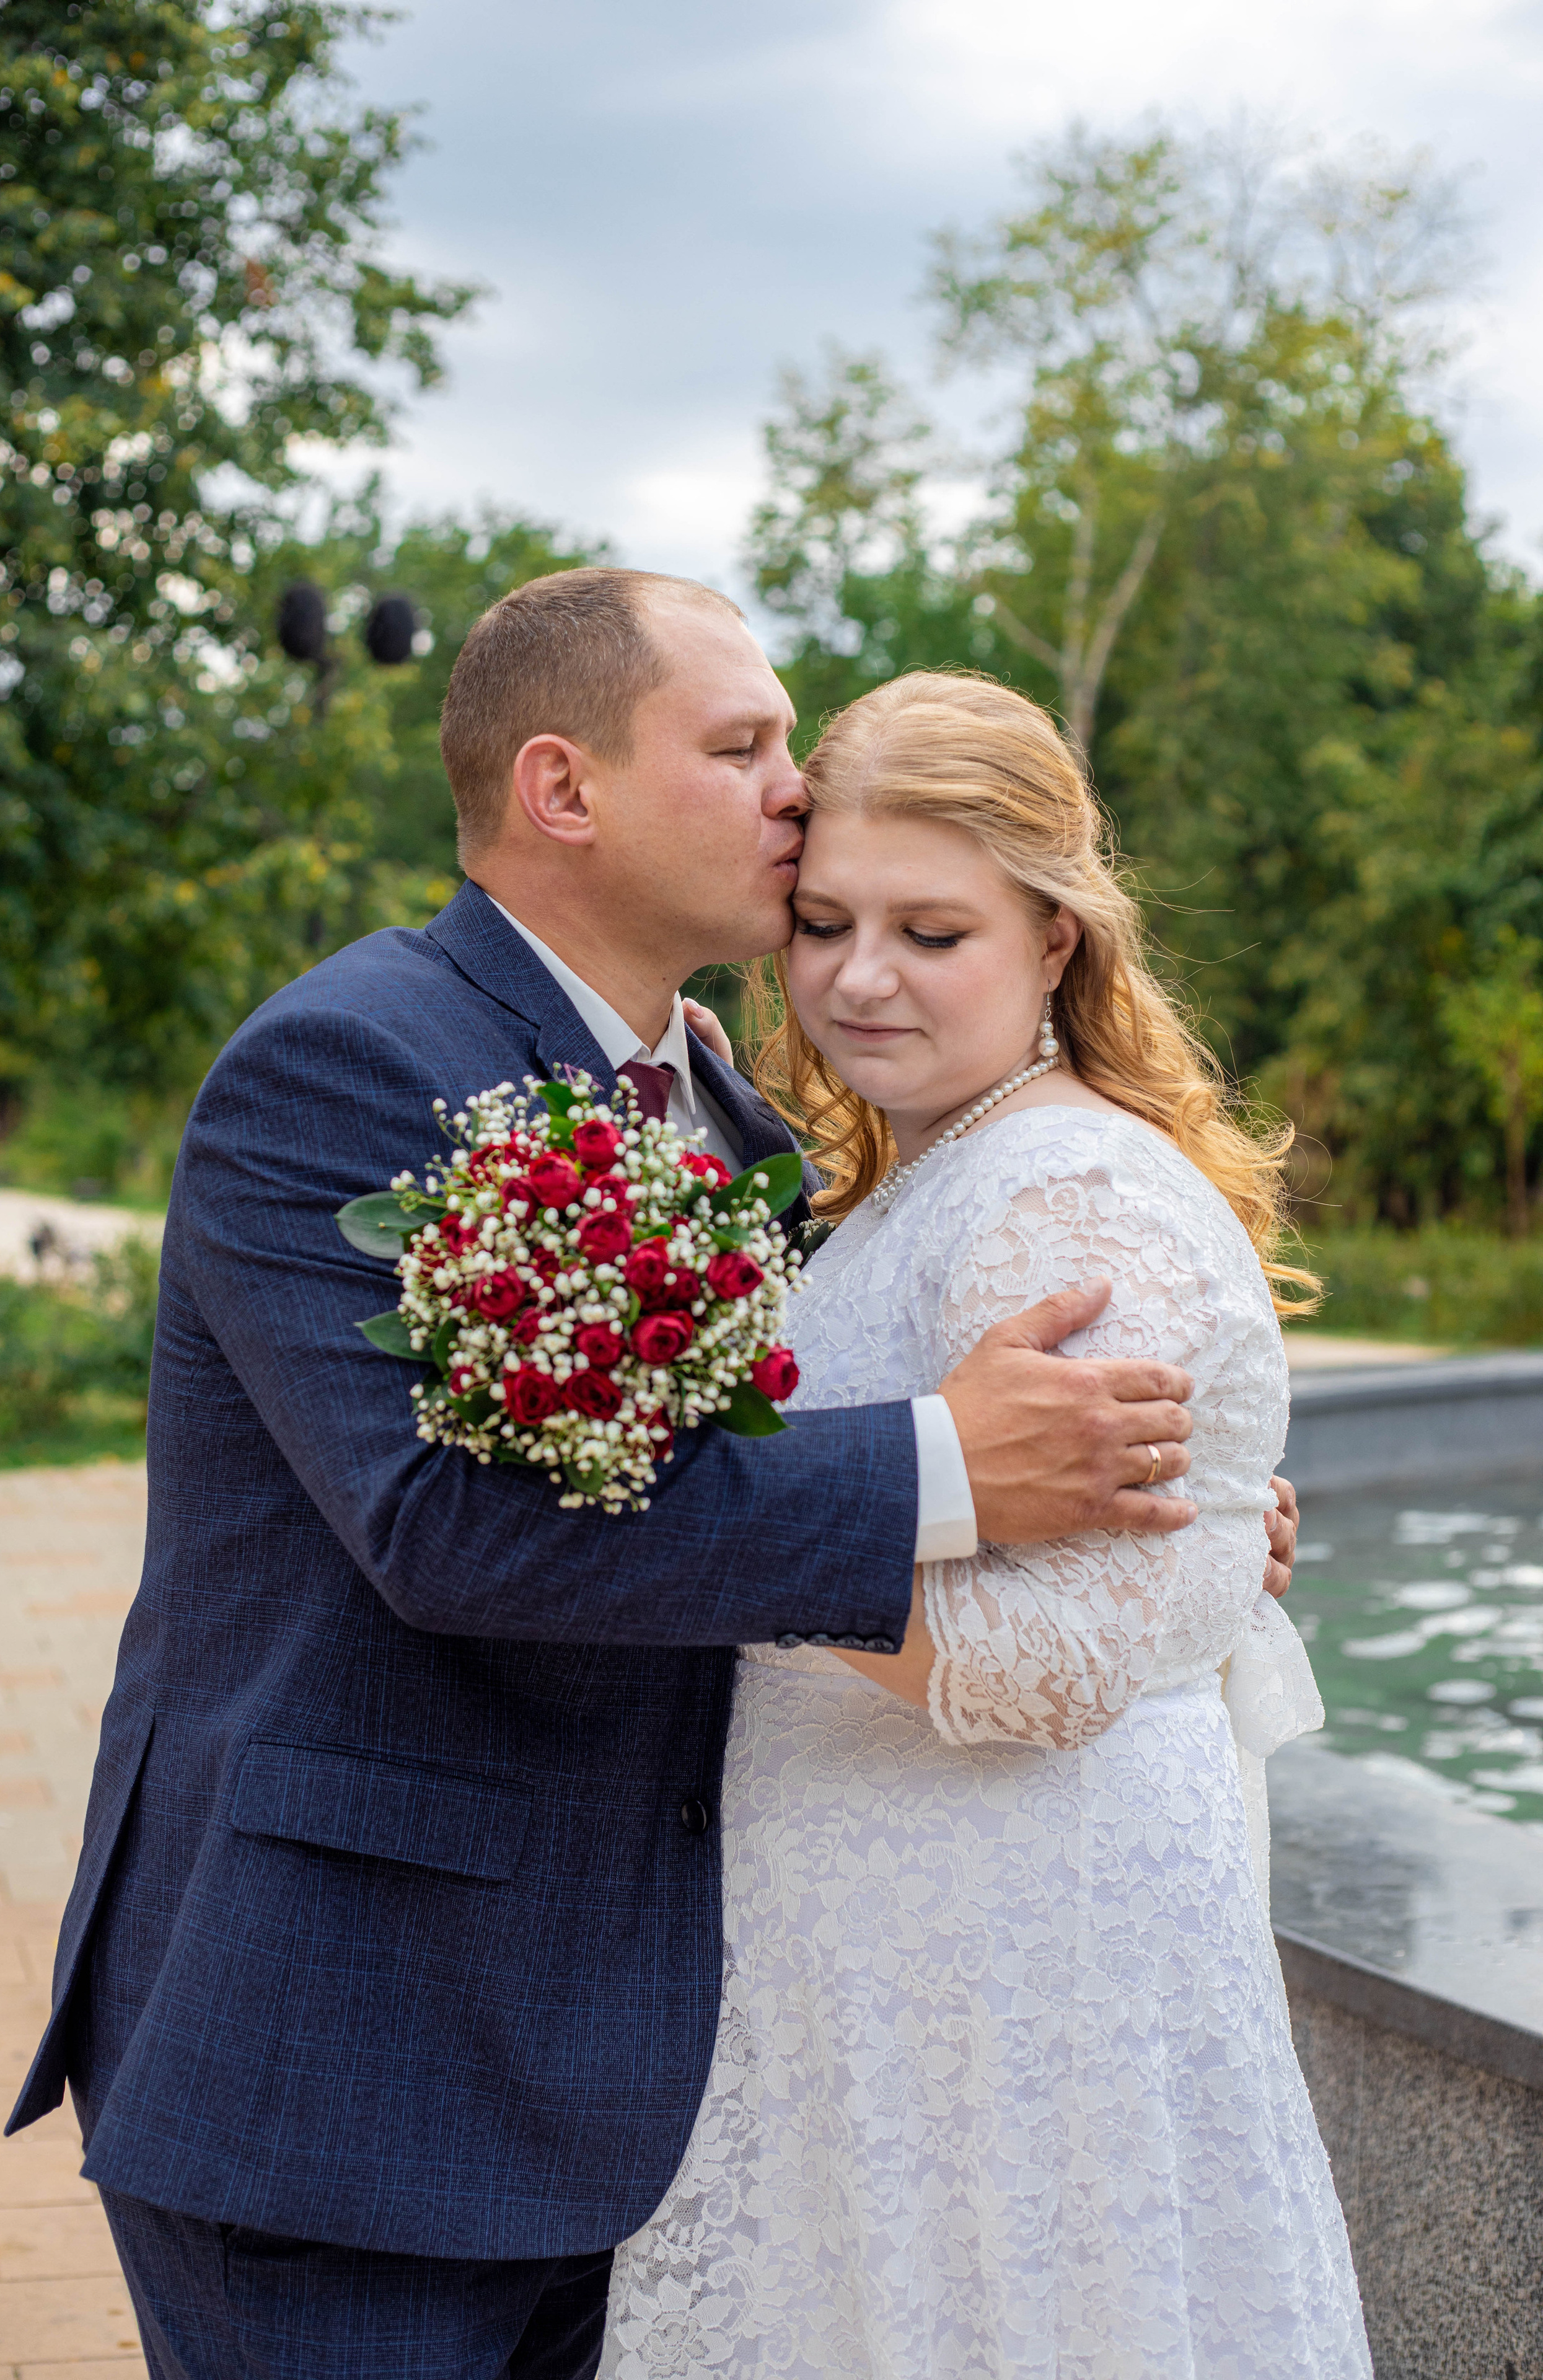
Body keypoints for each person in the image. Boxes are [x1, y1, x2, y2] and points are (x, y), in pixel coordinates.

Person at [4, 573, 1295, 2380]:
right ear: (564, 788)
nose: (793, 784)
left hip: (631, 2066)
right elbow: (450, 1528)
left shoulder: (736, 1117)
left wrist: (1183, 1536)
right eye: (743, 743)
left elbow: (736, 1471)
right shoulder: (347, 1068)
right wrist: (957, 1471)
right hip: (352, 2054)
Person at [600, 671, 1368, 2378]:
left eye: (931, 932)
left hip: (1011, 1962)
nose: (861, 977)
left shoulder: (1065, 1196)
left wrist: (677, 1524)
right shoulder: (925, 1168)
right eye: (825, 923)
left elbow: (1046, 1665)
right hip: (893, 1942)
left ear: (1056, 945)